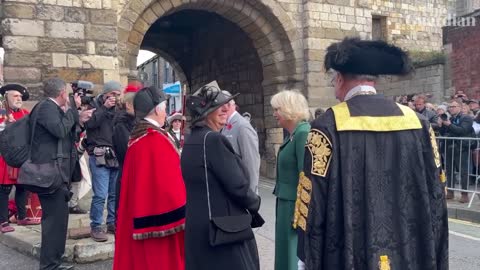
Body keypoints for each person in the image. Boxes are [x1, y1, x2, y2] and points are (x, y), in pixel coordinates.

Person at [297, 38, 448, 270]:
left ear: (339, 79)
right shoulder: (419, 123)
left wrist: (307, 254)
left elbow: (312, 200)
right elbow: (437, 191)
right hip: (410, 251)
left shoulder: (326, 126)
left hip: (348, 251)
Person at [181, 81, 261, 270]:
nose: (225, 109)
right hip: (221, 230)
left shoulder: (192, 140)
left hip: (197, 227)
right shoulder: (213, 140)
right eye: (218, 107)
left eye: (226, 105)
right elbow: (238, 186)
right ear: (206, 113)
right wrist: (254, 202)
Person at [113, 86, 186, 270]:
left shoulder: (139, 136)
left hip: (141, 214)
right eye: (164, 107)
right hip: (158, 227)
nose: (166, 112)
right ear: (157, 109)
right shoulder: (154, 140)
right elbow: (168, 188)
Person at [31, 77, 82, 270]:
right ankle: (49, 265)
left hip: (57, 173)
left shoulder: (52, 109)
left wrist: (77, 117)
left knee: (59, 220)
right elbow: (60, 130)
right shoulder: (46, 108)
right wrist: (70, 111)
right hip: (49, 175)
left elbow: (66, 134)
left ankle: (54, 262)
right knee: (53, 222)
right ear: (61, 93)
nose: (69, 96)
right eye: (67, 93)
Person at [269, 90, 310, 270]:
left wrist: (300, 213)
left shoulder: (302, 133)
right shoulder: (293, 134)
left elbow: (306, 177)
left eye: (276, 109)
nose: (274, 114)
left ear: (288, 109)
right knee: (285, 252)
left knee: (291, 253)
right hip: (286, 201)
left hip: (294, 205)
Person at [84, 81, 122, 241]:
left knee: (114, 193)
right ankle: (96, 226)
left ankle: (112, 223)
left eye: (118, 94)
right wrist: (104, 108)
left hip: (115, 154)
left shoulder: (119, 109)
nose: (116, 97)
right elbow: (90, 125)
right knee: (100, 194)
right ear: (106, 94)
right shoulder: (92, 105)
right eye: (113, 94)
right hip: (99, 155)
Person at [0, 84, 40, 233]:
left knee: (22, 187)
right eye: (15, 96)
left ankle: (21, 216)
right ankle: (3, 221)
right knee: (4, 190)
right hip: (5, 158)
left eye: (20, 97)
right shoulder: (1, 113)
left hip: (22, 158)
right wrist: (6, 124)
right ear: (7, 98)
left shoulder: (25, 113)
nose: (18, 99)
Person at [221, 89, 261, 194]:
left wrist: (251, 194)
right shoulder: (225, 125)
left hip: (242, 190)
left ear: (227, 106)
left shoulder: (242, 126)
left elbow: (251, 163)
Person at [439, 99, 475, 203]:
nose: (451, 108)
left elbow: (462, 131)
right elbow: (443, 133)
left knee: (463, 171)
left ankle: (464, 194)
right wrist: (441, 125)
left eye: (453, 106)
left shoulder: (466, 118)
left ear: (459, 107)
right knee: (449, 171)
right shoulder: (449, 118)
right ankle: (450, 192)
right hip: (449, 147)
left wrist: (449, 124)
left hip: (461, 148)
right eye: (450, 107)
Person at [112, 83, 141, 214]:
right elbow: (127, 151)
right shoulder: (121, 124)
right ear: (129, 105)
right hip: (127, 173)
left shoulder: (133, 122)